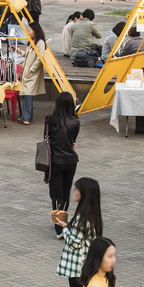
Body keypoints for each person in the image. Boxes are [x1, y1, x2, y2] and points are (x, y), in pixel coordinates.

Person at [54, 177, 103, 287]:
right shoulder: (93, 215)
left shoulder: (83, 218)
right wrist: (70, 223)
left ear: (85, 194)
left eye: (77, 189)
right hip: (87, 266)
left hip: (78, 268)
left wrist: (64, 227)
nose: (74, 191)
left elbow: (74, 242)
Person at [45, 92, 81, 236]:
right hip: (71, 161)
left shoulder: (50, 120)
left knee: (56, 193)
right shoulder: (76, 122)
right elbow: (73, 140)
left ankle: (58, 225)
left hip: (55, 161)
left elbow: (46, 139)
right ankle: (64, 220)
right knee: (66, 191)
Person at [19, 22, 47, 124]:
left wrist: (31, 69)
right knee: (27, 94)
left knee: (27, 93)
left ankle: (26, 117)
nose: (28, 32)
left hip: (31, 72)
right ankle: (27, 116)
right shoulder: (32, 41)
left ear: (35, 31)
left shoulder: (40, 43)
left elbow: (40, 58)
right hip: (27, 70)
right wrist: (20, 52)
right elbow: (28, 53)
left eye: (30, 30)